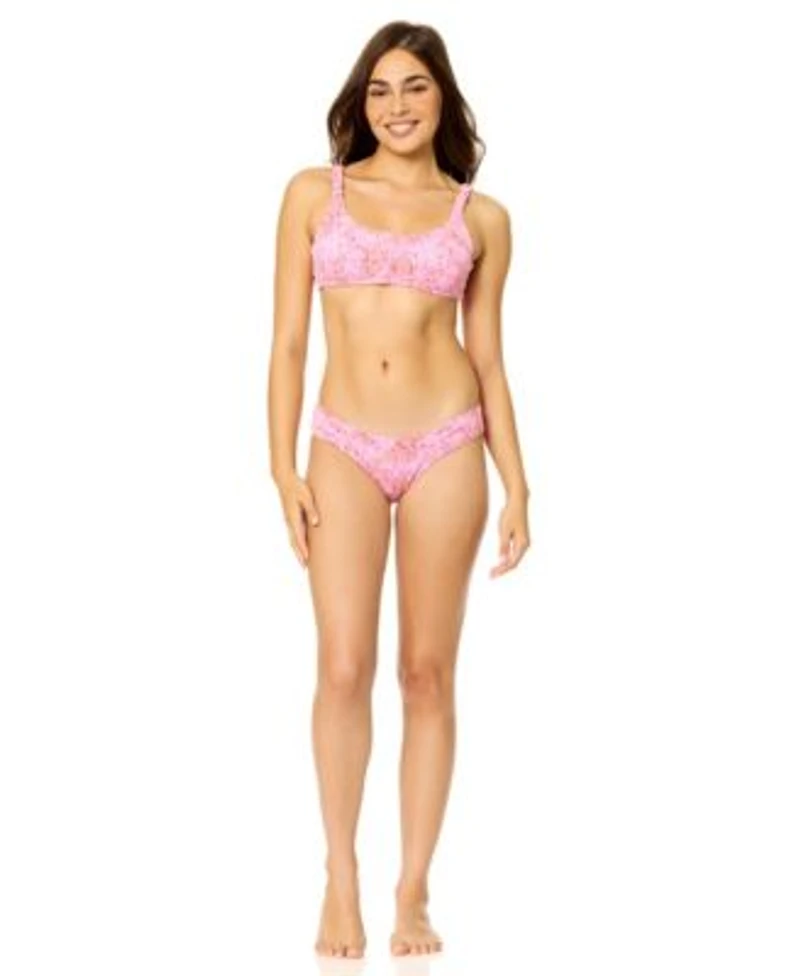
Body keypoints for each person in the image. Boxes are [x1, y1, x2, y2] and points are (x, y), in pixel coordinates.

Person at [267, 19, 531, 959]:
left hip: (448, 445)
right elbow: (288, 343)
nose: (397, 105)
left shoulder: (481, 218)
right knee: (342, 666)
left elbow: (489, 361)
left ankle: (412, 891)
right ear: (361, 102)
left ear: (443, 97)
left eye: (416, 86)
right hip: (342, 443)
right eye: (380, 90)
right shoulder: (314, 195)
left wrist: (518, 486)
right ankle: (339, 875)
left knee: (427, 672)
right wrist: (281, 466)